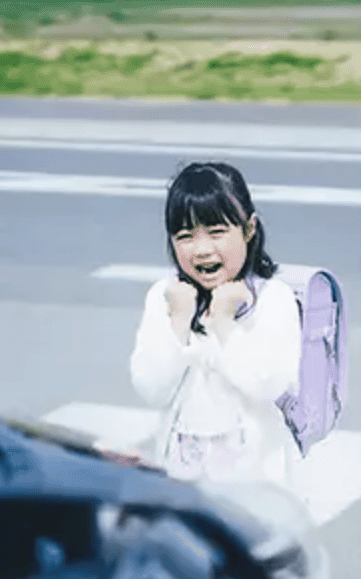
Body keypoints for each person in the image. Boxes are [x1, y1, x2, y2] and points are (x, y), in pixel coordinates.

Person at [129, 162, 303, 492]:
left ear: (249, 229)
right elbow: (150, 388)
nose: (202, 249)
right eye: (185, 236)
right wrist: (178, 324)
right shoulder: (166, 297)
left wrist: (224, 323)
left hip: (256, 487)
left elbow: (267, 384)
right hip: (182, 480)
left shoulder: (272, 298)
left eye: (217, 231)